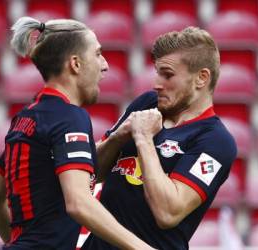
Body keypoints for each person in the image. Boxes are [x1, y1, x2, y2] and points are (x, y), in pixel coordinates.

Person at [0, 16, 156, 250]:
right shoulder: (68, 117)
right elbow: (79, 203)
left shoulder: (24, 118)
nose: (105, 64)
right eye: (98, 54)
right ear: (75, 64)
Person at [82, 26, 238, 250]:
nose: (157, 83)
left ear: (201, 78)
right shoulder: (146, 104)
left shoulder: (215, 141)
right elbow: (90, 173)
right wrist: (117, 138)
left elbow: (168, 212)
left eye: (168, 75)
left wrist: (143, 139)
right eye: (157, 72)